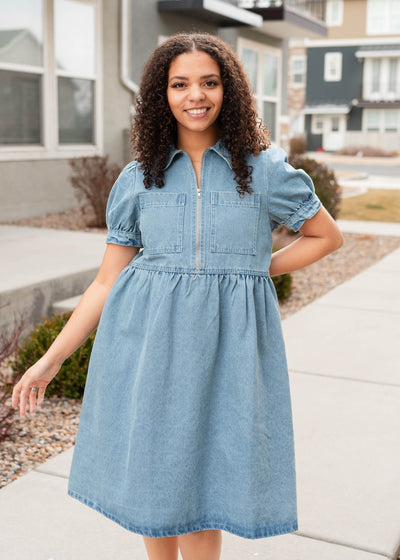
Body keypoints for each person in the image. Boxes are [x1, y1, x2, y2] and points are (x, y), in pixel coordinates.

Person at [12, 32, 343, 560]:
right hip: (146, 348)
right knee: (154, 478)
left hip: (225, 356)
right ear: (161, 95)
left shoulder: (264, 169)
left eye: (209, 82)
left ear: (228, 90)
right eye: (180, 84)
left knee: (204, 485)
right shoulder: (139, 177)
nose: (196, 95)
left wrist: (257, 270)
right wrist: (51, 360)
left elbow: (326, 236)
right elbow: (105, 282)